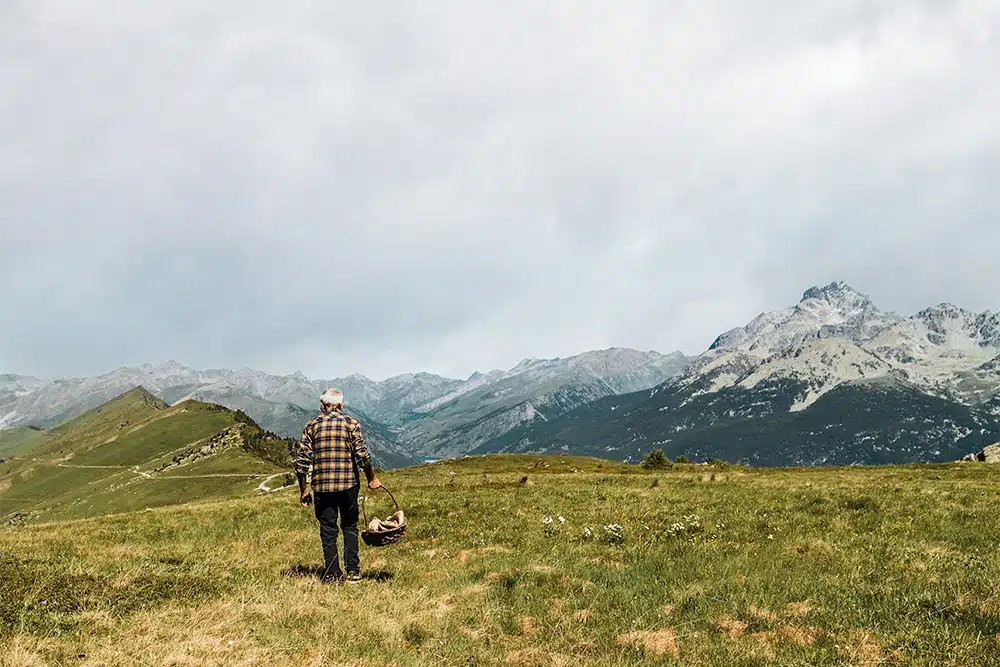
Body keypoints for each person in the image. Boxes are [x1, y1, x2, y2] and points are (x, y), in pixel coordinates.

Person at [296, 388, 381, 583]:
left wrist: (303, 490)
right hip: (348, 485)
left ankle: (333, 574)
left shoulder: (311, 426)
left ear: (321, 406)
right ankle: (353, 571)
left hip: (322, 488)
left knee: (328, 530)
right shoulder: (351, 423)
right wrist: (371, 479)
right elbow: (362, 455)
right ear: (341, 405)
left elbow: (301, 463)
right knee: (350, 526)